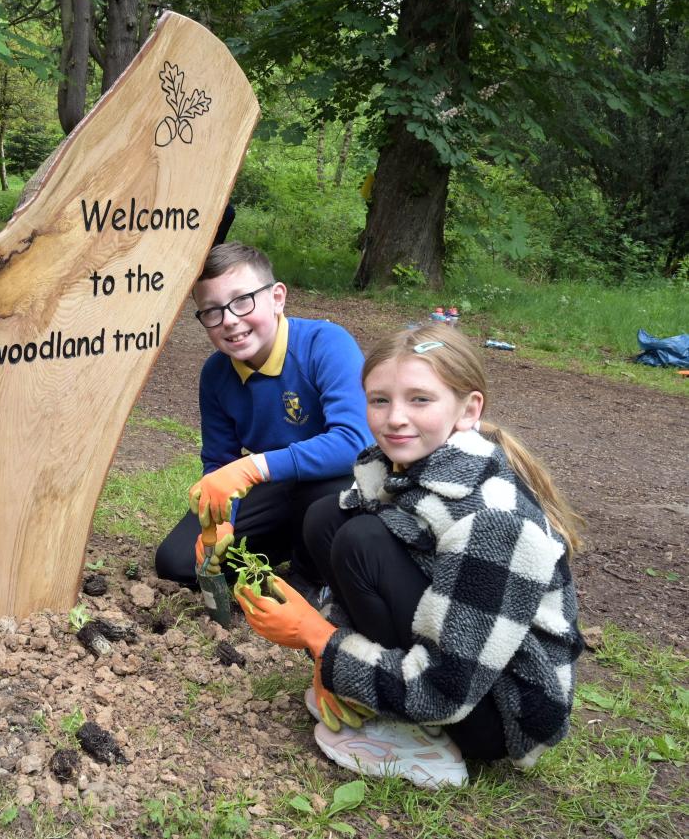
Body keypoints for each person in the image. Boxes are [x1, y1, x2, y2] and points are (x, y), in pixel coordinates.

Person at [237, 324, 584, 788]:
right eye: (379, 400)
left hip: (501, 710)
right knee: (327, 517)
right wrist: (332, 667)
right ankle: (377, 691)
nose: (395, 417)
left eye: (420, 399)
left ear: (468, 409)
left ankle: (420, 739)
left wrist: (318, 639)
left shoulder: (493, 520)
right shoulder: (393, 470)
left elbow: (447, 689)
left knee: (363, 541)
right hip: (460, 666)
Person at [154, 242, 371, 598]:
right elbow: (219, 463)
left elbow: (354, 441)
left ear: (277, 298)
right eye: (212, 311)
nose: (229, 320)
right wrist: (222, 520)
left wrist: (253, 467)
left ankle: (310, 578)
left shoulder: (325, 342)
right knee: (177, 562)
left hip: (339, 485)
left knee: (330, 495)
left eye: (242, 301)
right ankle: (282, 554)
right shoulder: (215, 374)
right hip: (278, 487)